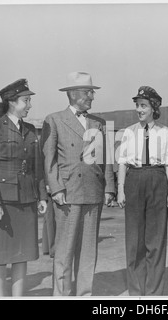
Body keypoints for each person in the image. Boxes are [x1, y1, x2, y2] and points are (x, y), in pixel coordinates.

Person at [41, 71, 115, 296]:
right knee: (63, 252)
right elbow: (49, 159)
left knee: (88, 253)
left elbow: (106, 159)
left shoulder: (99, 123)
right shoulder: (53, 120)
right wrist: (56, 189)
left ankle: (84, 294)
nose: (91, 96)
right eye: (87, 92)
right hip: (67, 195)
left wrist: (109, 188)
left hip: (93, 194)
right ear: (72, 94)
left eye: (92, 92)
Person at [0, 79, 48, 297]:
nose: (30, 105)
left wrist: (42, 196)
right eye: (26, 100)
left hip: (26, 201)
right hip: (2, 202)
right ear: (11, 102)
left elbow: (38, 168)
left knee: (22, 253)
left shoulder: (31, 130)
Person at [117, 86, 168, 296]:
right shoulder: (128, 132)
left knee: (156, 240)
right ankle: (136, 290)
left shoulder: (164, 132)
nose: (139, 110)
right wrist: (121, 190)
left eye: (143, 106)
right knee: (134, 241)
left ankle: (153, 293)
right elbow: (122, 162)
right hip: (134, 180)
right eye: (137, 106)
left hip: (157, 180)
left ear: (153, 108)